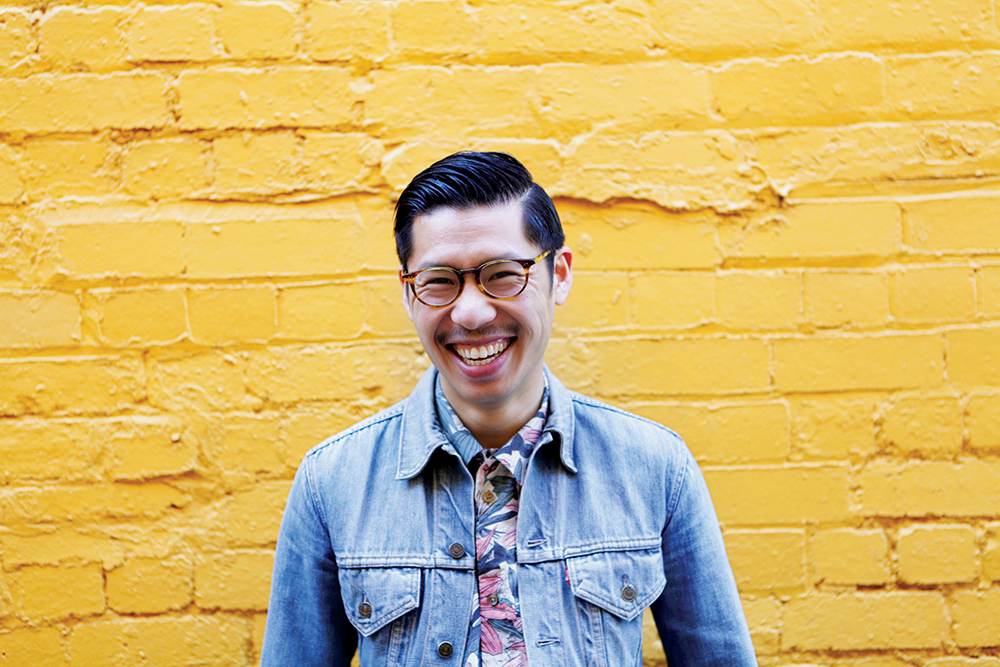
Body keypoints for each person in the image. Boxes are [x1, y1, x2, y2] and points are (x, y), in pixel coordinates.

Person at [261, 151, 757, 666]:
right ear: (409, 295)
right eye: (438, 281)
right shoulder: (332, 482)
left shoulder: (656, 467)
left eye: (502, 274)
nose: (471, 312)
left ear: (558, 275)